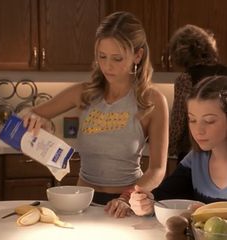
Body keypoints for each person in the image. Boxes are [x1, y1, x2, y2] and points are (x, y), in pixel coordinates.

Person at [22, 11, 169, 218]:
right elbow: (27, 114)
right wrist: (34, 119)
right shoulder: (84, 94)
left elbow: (157, 169)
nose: (107, 66)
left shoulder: (152, 100)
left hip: (126, 205)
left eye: (117, 58)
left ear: (138, 55)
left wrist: (126, 198)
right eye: (102, 56)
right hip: (82, 201)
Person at [129, 75, 227, 216]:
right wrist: (147, 203)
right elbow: (164, 196)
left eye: (209, 121)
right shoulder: (195, 159)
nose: (198, 130)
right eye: (192, 120)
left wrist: (209, 214)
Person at [168, 24, 227, 162]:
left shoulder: (186, 78)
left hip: (194, 151)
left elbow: (178, 121)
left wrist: (168, 147)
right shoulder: (225, 73)